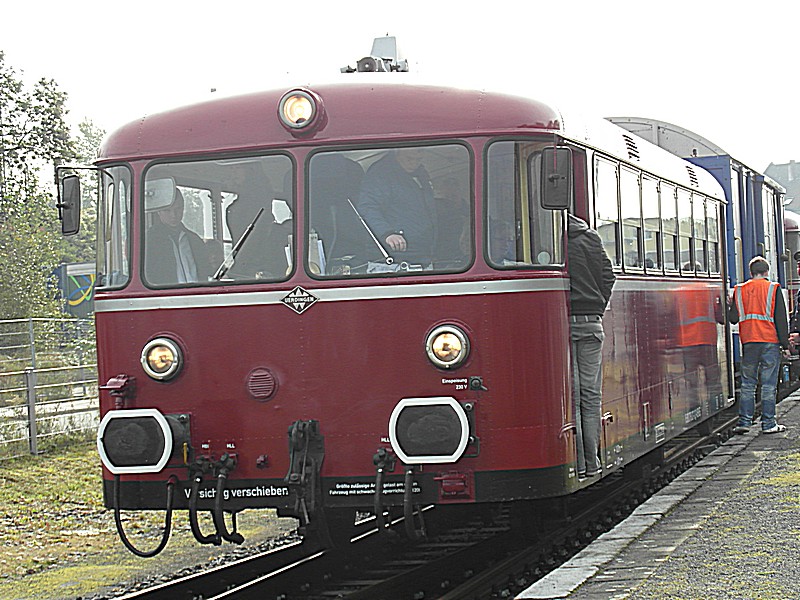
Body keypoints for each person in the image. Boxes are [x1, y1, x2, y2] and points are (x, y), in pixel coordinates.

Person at [567, 214, 616, 478]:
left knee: (572, 396)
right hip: (591, 323)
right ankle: (592, 462)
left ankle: (577, 463)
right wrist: (597, 307)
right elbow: (608, 277)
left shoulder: (552, 239)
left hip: (561, 325)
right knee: (591, 396)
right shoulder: (590, 237)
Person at [728, 256, 789, 434]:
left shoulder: (739, 290)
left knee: (748, 384)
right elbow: (780, 319)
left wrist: (730, 304)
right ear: (766, 272)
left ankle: (744, 422)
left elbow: (733, 319)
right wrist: (785, 345)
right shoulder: (773, 288)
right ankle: (768, 424)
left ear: (751, 272)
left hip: (749, 342)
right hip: (770, 341)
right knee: (769, 385)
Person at [358, 148, 437, 267]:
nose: (414, 163)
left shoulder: (422, 174)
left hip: (423, 256)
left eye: (419, 159)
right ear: (397, 152)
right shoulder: (381, 173)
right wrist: (387, 234)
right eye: (409, 158)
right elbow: (368, 207)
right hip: (392, 261)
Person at [145, 189, 210, 285]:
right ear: (159, 211)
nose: (173, 215)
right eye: (167, 210)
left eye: (178, 209)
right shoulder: (148, 241)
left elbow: (205, 271)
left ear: (183, 208)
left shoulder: (195, 240)